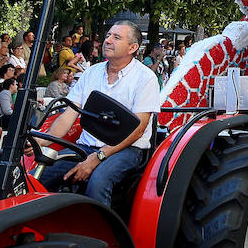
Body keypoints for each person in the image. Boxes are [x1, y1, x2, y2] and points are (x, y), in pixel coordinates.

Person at [39, 22, 161, 207]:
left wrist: (98, 157)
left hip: (126, 150)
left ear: (133, 48)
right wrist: (43, 141)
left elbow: (137, 130)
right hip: (86, 146)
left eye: (116, 37)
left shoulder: (146, 78)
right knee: (41, 174)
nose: (108, 40)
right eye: (108, 35)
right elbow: (68, 114)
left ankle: (101, 234)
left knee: (98, 182)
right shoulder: (91, 73)